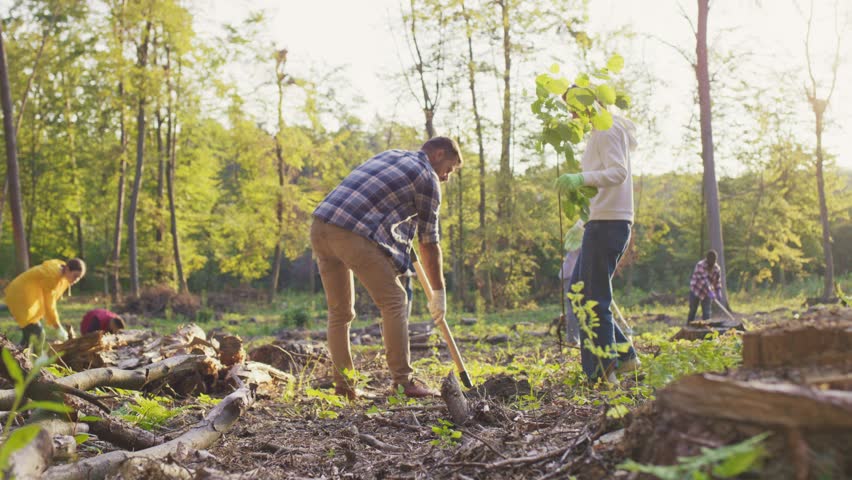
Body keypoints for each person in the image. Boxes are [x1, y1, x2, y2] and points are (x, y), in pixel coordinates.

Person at [311, 136, 462, 400]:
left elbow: (376, 206)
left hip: (321, 224)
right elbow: (429, 242)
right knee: (395, 301)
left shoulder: (391, 155)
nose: (447, 177)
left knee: (340, 312)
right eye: (449, 169)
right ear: (438, 154)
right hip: (351, 232)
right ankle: (403, 382)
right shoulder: (427, 177)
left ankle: (344, 387)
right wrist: (439, 293)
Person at [556, 111, 639, 384]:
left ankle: (603, 373)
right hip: (601, 222)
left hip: (608, 224)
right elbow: (602, 191)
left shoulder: (607, 127)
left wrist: (580, 179)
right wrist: (580, 224)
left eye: (574, 109)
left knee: (592, 299)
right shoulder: (599, 131)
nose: (572, 116)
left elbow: (618, 172)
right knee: (579, 294)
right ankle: (626, 357)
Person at [4, 258, 86, 347]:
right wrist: (57, 326)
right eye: (75, 276)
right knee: (38, 333)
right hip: (20, 295)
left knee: (30, 335)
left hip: (24, 296)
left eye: (79, 278)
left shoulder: (61, 273)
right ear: (67, 269)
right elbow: (49, 304)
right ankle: (24, 358)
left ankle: (18, 356)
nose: (76, 280)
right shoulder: (52, 276)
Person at [559, 221, 584, 345]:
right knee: (573, 307)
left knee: (579, 307)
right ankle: (573, 340)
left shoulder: (578, 232)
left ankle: (579, 338)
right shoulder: (578, 234)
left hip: (574, 273)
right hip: (571, 274)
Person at [687, 250, 722, 323]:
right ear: (707, 260)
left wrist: (718, 291)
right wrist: (710, 291)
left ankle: (706, 330)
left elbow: (717, 281)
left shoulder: (717, 268)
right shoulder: (700, 265)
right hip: (696, 290)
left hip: (707, 294)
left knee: (707, 313)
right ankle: (688, 328)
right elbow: (704, 280)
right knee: (693, 311)